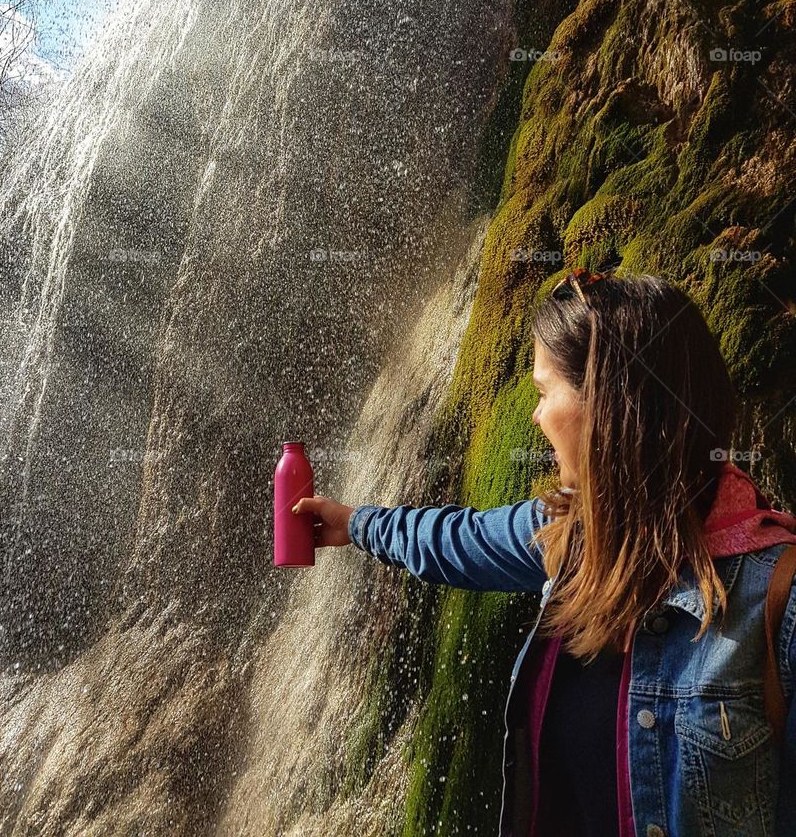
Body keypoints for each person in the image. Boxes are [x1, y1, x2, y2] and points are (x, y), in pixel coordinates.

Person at [293, 269, 796, 837]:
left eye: (543, 391)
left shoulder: (778, 601)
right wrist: (356, 524)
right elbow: (459, 539)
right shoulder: (572, 535)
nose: (535, 416)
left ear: (609, 404)